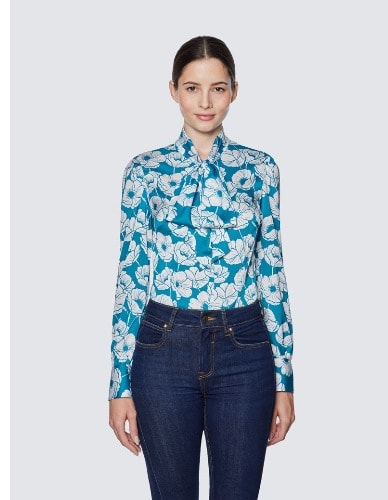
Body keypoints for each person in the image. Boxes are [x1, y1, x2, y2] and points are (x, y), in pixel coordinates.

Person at [108, 35, 295, 500]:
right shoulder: (144, 172)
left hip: (244, 347)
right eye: (192, 88)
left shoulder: (261, 169)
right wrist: (119, 384)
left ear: (234, 91)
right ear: (173, 90)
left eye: (218, 88)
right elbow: (131, 276)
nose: (205, 102)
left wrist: (285, 379)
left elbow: (271, 272)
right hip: (163, 347)